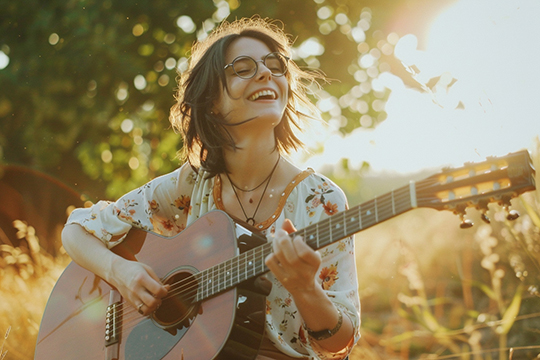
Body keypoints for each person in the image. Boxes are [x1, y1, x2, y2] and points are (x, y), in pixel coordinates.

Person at [62, 17, 360, 360]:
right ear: (212, 100)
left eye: (274, 65)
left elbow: (340, 345)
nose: (266, 73)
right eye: (243, 68)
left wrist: (305, 289)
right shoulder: (191, 185)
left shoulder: (321, 201)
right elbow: (77, 231)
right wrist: (121, 272)